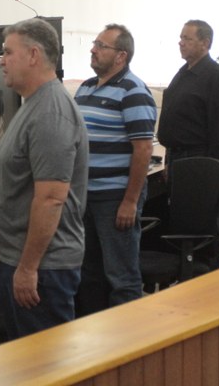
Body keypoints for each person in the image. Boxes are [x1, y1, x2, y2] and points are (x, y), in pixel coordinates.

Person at [0, 18, 89, 339]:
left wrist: (28, 266)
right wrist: (8, 250)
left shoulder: (50, 113)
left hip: (43, 269)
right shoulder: (34, 105)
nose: (2, 61)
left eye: (8, 52)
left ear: (33, 55)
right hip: (22, 260)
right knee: (26, 360)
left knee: (46, 362)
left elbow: (51, 199)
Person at [73, 24, 156, 315]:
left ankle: (128, 337)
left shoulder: (133, 91)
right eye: (94, 43)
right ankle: (94, 336)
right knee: (89, 273)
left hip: (115, 198)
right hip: (85, 197)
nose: (93, 49)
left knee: (121, 277)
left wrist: (130, 202)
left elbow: (143, 150)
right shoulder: (85, 88)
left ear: (121, 56)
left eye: (101, 46)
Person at [157, 20, 219, 170]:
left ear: (205, 43)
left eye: (187, 39)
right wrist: (167, 159)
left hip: (198, 158)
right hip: (176, 156)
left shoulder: (217, 77)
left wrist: (213, 168)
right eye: (181, 38)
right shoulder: (183, 73)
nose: (181, 43)